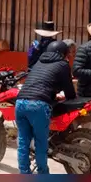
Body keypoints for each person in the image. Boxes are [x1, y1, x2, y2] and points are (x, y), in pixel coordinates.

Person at [15, 39, 77, 174]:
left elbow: (41, 83)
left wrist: (53, 95)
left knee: (23, 143)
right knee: (41, 144)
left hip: (20, 103)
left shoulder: (39, 63)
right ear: (64, 54)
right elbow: (70, 93)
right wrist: (65, 96)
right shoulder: (63, 64)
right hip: (38, 106)